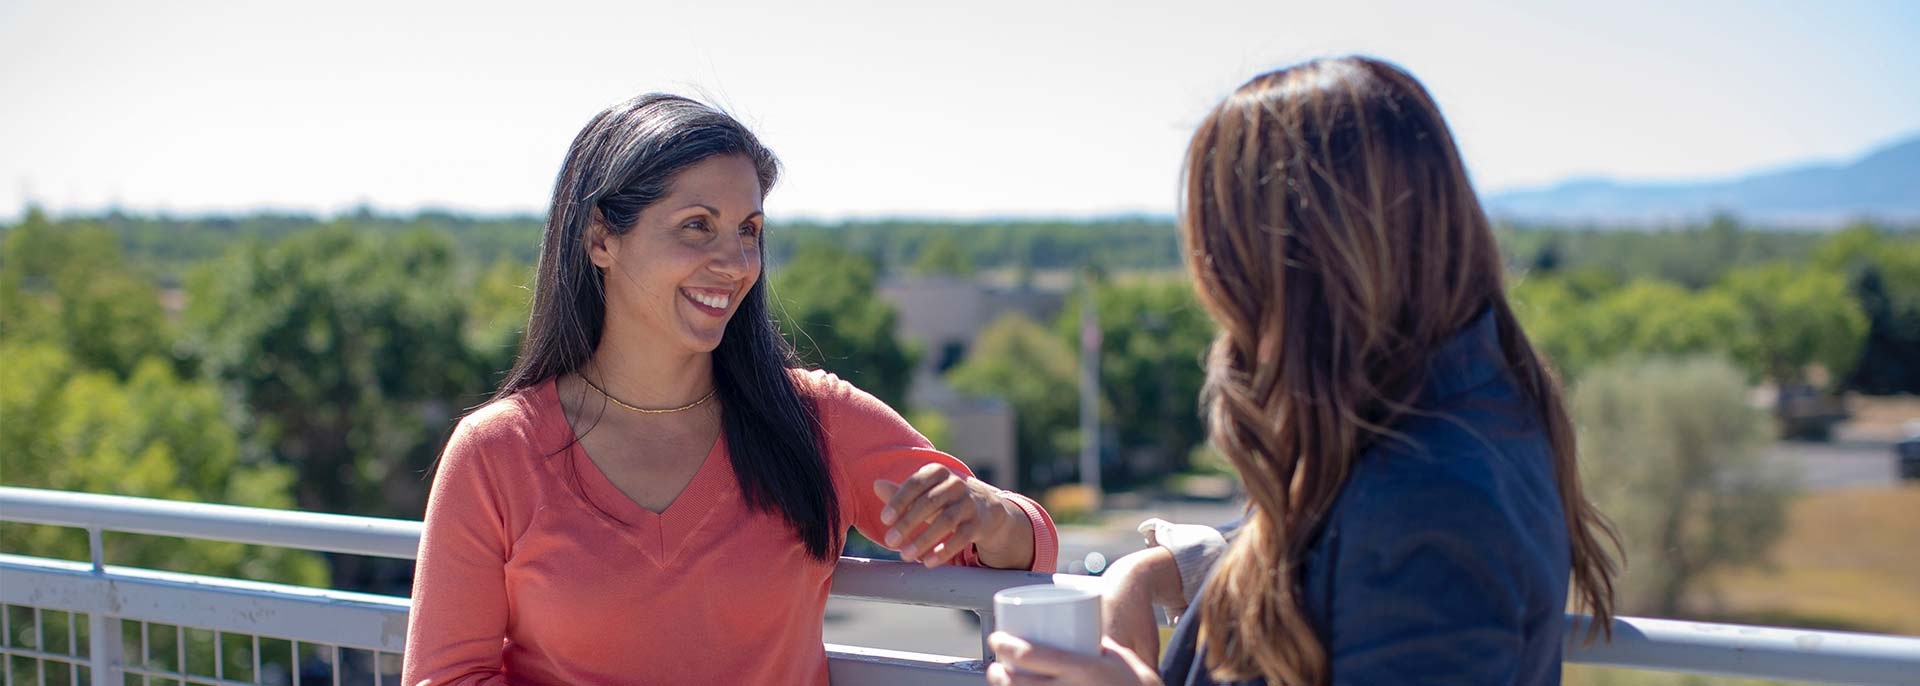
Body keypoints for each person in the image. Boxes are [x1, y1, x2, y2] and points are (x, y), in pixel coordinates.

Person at [988, 55, 1618, 685]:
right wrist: (1173, 568)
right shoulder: (1460, 410)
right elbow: (1336, 546)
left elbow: (1373, 540)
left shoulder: (1429, 504)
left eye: (1223, 250)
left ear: (1286, 266)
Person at [403, 93, 1059, 686]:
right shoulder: (497, 453)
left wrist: (987, 515)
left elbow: (1026, 545)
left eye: (749, 230)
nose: (737, 262)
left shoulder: (814, 419)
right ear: (600, 236)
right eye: (697, 225)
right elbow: (446, 676)